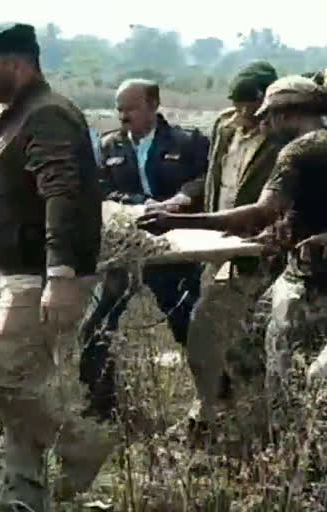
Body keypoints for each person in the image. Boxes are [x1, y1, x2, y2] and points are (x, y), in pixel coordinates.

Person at [0, 23, 113, 510]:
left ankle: (81, 444)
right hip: (22, 274)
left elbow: (63, 194)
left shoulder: (48, 115)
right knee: (22, 387)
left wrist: (62, 274)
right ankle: (23, 498)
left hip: (40, 276)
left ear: (19, 63)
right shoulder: (21, 113)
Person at [138, 75, 327, 437]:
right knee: (250, 347)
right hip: (299, 272)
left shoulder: (300, 151)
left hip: (312, 283)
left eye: (269, 116)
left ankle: (288, 456)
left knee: (283, 375)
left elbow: (260, 211)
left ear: (288, 114)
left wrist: (175, 220)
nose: (264, 124)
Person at [159, 61, 284, 437]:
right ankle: (225, 413)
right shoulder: (223, 127)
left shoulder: (283, 137)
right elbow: (215, 179)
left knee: (216, 329)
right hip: (217, 247)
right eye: (239, 104)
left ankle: (227, 418)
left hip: (261, 249)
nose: (245, 113)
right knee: (223, 333)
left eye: (252, 105)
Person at [79, 79, 207, 420]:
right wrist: (139, 203)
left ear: (153, 105)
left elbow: (206, 178)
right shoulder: (109, 145)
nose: (123, 117)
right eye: (119, 109)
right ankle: (102, 408)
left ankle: (210, 402)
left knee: (187, 323)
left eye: (131, 109)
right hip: (125, 246)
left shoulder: (188, 142)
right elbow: (100, 188)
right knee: (97, 324)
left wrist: (183, 199)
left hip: (173, 247)